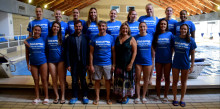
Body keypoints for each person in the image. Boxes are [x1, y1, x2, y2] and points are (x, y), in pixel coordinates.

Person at [89, 21, 115, 105]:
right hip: (97, 64)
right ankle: (97, 98)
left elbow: (113, 52)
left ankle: (108, 98)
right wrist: (91, 65)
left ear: (106, 27)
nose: (101, 28)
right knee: (97, 81)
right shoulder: (94, 38)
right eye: (100, 26)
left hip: (108, 63)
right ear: (98, 27)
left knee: (108, 81)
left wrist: (113, 64)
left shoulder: (110, 38)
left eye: (103, 26)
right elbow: (91, 53)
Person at [172, 24, 196, 107]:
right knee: (175, 81)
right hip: (176, 63)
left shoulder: (191, 40)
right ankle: (175, 98)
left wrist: (192, 65)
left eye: (185, 29)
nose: (183, 30)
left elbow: (193, 54)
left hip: (185, 64)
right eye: (182, 29)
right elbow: (172, 50)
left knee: (183, 82)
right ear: (180, 30)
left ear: (187, 30)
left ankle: (182, 99)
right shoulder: (175, 38)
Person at [66, 20, 89, 104]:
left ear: (82, 27)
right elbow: (67, 52)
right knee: (74, 80)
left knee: (83, 80)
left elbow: (88, 51)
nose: (78, 28)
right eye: (76, 26)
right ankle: (74, 96)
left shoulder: (85, 37)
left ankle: (85, 96)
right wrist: (68, 64)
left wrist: (88, 63)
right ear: (74, 27)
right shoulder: (70, 38)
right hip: (74, 63)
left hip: (83, 63)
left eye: (79, 26)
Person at [114, 22, 137, 104]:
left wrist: (131, 63)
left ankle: (125, 96)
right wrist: (114, 63)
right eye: (123, 28)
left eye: (126, 28)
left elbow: (134, 52)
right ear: (121, 29)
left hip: (127, 64)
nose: (125, 30)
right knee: (119, 80)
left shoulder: (131, 39)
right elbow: (114, 52)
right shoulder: (117, 38)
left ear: (128, 30)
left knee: (126, 80)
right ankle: (120, 95)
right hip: (119, 64)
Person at [25, 25, 49, 104]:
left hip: (43, 62)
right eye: (35, 30)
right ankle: (37, 97)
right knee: (36, 80)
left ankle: (46, 97)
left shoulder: (43, 39)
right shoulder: (29, 41)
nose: (37, 31)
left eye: (39, 30)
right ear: (33, 31)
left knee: (44, 80)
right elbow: (27, 54)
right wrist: (28, 64)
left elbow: (47, 51)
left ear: (40, 32)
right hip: (33, 63)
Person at [152, 19, 174, 102]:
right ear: (159, 25)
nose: (163, 25)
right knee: (158, 77)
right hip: (158, 59)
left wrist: (170, 55)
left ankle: (165, 96)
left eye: (164, 24)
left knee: (167, 77)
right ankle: (158, 95)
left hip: (167, 59)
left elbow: (172, 47)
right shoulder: (156, 34)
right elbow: (154, 45)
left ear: (167, 25)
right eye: (161, 24)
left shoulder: (170, 34)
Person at [138, 3, 158, 85]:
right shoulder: (142, 18)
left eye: (150, 9)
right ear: (145, 10)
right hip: (143, 40)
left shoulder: (156, 19)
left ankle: (149, 78)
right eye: (147, 9)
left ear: (153, 9)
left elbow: (157, 31)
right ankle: (142, 76)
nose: (149, 10)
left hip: (152, 41)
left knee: (152, 59)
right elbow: (138, 28)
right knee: (141, 58)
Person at [134, 22, 154, 104]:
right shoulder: (135, 37)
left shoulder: (150, 36)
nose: (142, 28)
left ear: (146, 28)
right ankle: (138, 96)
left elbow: (152, 50)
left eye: (144, 27)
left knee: (146, 80)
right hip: (138, 61)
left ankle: (144, 96)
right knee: (137, 79)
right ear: (138, 28)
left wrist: (153, 60)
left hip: (148, 62)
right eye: (141, 27)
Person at [47, 21, 66, 104]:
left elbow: (65, 50)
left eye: (57, 27)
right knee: (54, 79)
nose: (56, 28)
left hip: (60, 60)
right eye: (54, 26)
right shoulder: (48, 37)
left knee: (61, 80)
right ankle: (56, 96)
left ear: (59, 29)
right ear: (52, 27)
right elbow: (46, 49)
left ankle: (62, 96)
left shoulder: (62, 37)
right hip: (51, 61)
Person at [86, 7, 99, 87]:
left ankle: (98, 79)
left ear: (96, 13)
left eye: (94, 12)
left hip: (98, 46)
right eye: (91, 12)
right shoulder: (86, 24)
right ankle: (90, 80)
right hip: (89, 46)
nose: (93, 14)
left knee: (96, 63)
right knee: (89, 63)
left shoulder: (99, 23)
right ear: (89, 14)